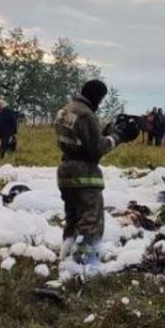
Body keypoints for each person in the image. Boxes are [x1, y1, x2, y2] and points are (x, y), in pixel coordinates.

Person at [55, 79, 127, 269]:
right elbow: (96, 148)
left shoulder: (65, 110)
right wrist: (117, 136)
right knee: (91, 220)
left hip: (65, 171)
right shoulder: (87, 115)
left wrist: (102, 132)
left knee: (72, 219)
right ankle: (85, 265)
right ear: (97, 96)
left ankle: (65, 259)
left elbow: (78, 139)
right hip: (84, 173)